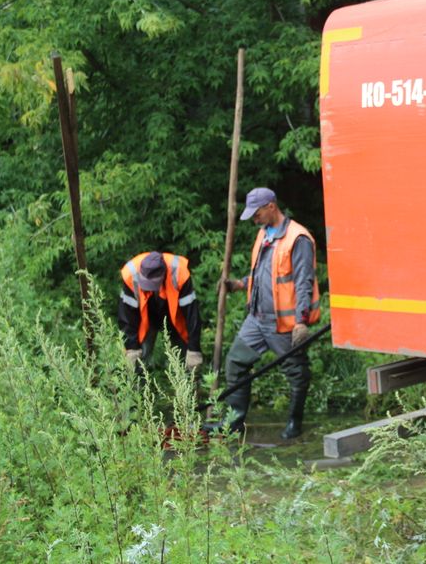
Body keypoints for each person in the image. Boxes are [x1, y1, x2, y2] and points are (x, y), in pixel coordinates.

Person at [206, 187, 320, 439]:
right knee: (235, 362)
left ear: (271, 206)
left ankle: (294, 422)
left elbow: (303, 282)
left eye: (256, 214)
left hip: (283, 323)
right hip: (256, 319)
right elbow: (263, 276)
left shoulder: (297, 239)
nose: (254, 220)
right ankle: (234, 423)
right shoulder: (264, 234)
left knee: (297, 372)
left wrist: (301, 321)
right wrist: (238, 284)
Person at [118, 251, 203, 372]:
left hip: (175, 317)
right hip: (145, 318)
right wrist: (131, 348)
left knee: (186, 360)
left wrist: (194, 349)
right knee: (139, 361)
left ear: (163, 275)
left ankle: (189, 385)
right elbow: (126, 315)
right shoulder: (131, 274)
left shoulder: (179, 273)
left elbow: (191, 314)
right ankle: (139, 387)